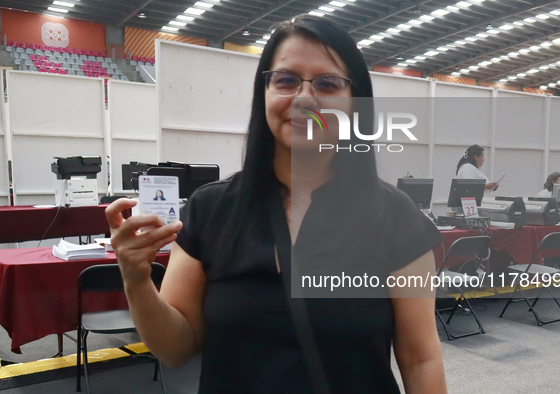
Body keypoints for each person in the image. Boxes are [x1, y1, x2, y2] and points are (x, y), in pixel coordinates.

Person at [106, 15, 446, 394]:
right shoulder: (211, 209)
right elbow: (175, 349)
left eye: (327, 83)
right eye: (285, 80)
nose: (304, 98)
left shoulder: (395, 218)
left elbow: (421, 359)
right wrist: (136, 281)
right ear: (263, 93)